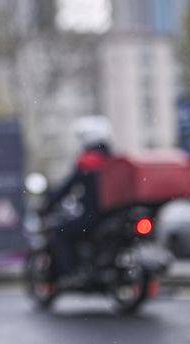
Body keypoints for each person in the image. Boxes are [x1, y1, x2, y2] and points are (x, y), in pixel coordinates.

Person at [43, 116, 114, 280]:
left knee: (59, 231)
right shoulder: (113, 160)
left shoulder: (89, 162)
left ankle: (72, 273)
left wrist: (48, 203)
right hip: (111, 216)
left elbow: (67, 188)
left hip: (93, 216)